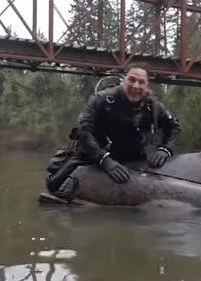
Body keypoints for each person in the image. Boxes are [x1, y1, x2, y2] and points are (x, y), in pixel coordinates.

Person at [46, 65, 181, 200]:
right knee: (55, 185)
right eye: (132, 80)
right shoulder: (101, 99)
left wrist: (166, 149)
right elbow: (84, 130)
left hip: (134, 156)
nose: (136, 86)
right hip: (94, 154)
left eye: (141, 82)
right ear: (123, 80)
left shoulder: (153, 106)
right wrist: (103, 159)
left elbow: (173, 127)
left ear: (147, 85)